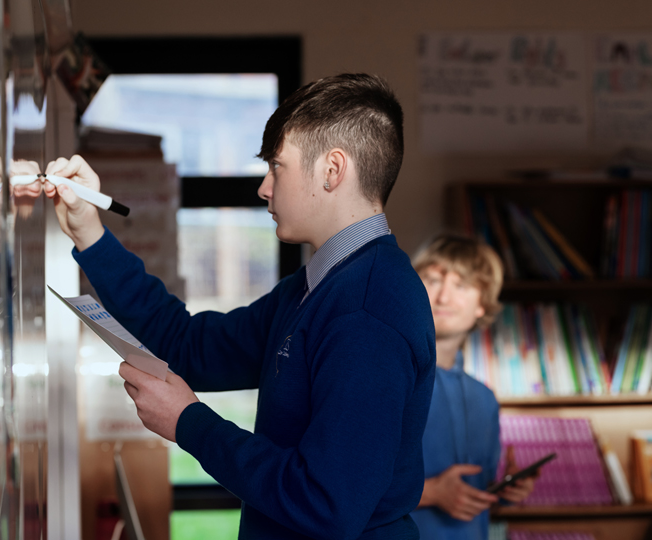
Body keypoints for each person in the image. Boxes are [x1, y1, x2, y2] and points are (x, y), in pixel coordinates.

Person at [45, 73, 436, 539]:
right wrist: (89, 231)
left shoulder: (369, 310)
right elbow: (188, 345)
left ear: (333, 170)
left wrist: (189, 424)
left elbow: (327, 504)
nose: (264, 188)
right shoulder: (314, 287)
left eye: (278, 166)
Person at [410, 234, 537, 540]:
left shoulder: (485, 398)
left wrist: (505, 489)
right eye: (432, 280)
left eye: (461, 285)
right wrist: (432, 493)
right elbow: (347, 485)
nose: (443, 298)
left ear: (482, 304)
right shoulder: (388, 380)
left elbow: (475, 492)